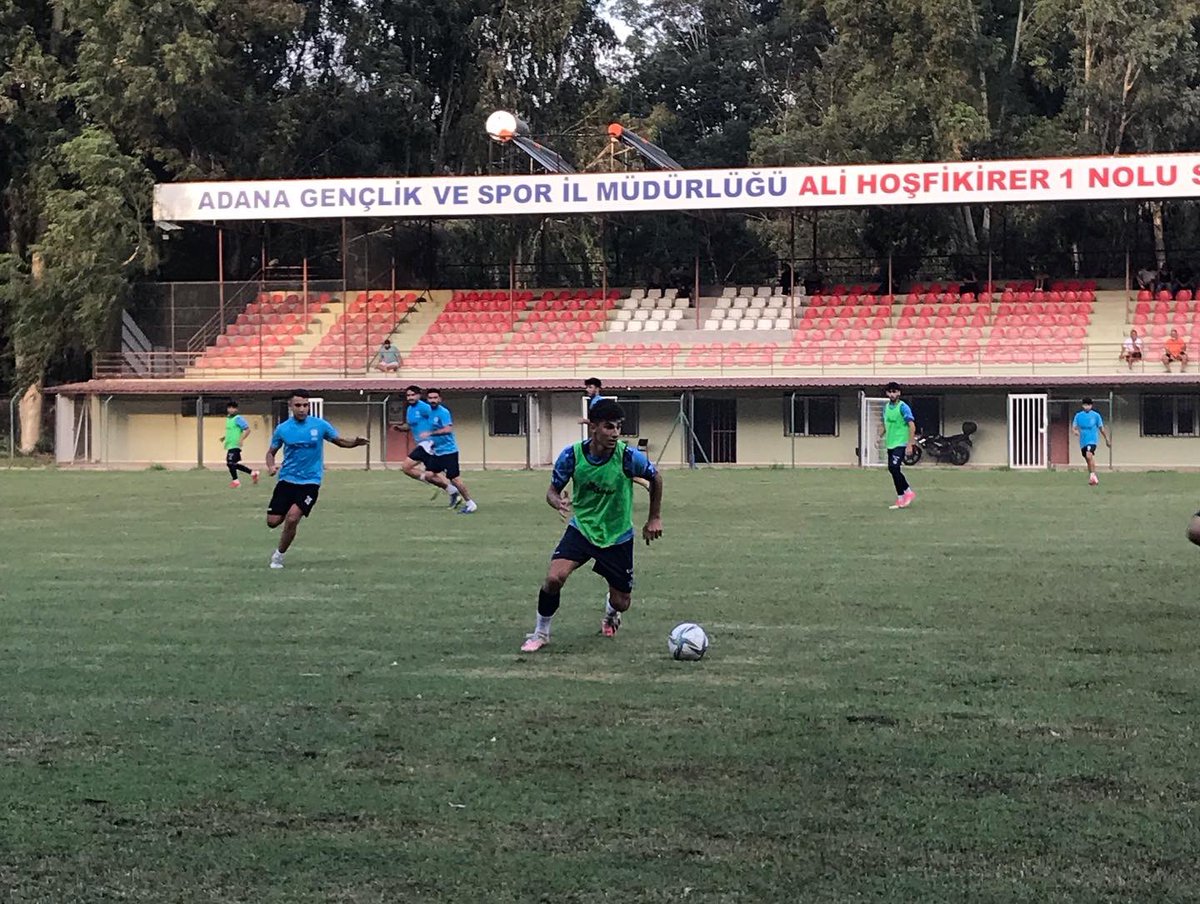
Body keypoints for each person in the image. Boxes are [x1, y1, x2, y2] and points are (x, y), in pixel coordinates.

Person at [520, 399, 664, 653]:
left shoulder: (628, 457)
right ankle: (541, 632)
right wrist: (558, 502)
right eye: (609, 427)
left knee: (622, 603)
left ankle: (611, 611)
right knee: (554, 578)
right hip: (583, 529)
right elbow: (552, 491)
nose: (615, 433)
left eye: (619, 427)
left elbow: (656, 478)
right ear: (593, 427)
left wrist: (654, 517)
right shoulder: (572, 455)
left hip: (617, 535)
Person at [264, 389, 368, 568]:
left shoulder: (320, 425)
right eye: (298, 405)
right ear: (291, 406)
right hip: (287, 480)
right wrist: (271, 466)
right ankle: (289, 508)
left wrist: (354, 443)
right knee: (272, 522)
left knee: (293, 518)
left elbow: (339, 441)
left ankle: (278, 556)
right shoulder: (283, 429)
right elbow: (271, 452)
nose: (302, 409)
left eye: (305, 405)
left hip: (310, 481)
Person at [391, 385, 458, 505]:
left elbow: (437, 418)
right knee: (433, 473)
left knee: (406, 466)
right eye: (408, 395)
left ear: (419, 395)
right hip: (423, 444)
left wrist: (433, 435)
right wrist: (400, 428)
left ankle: (440, 485)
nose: (410, 397)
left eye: (413, 395)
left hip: (428, 443)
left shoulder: (425, 407)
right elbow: (410, 426)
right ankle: (453, 492)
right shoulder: (410, 409)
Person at [425, 389, 477, 514]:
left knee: (455, 479)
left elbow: (448, 429)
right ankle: (452, 491)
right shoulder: (427, 412)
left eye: (435, 397)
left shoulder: (443, 412)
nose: (433, 400)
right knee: (429, 475)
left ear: (440, 399)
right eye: (430, 398)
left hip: (449, 452)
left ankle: (470, 504)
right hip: (437, 452)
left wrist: (431, 433)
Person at [879, 382, 916, 509]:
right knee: (892, 469)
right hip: (890, 442)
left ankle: (908, 492)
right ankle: (900, 498)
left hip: (901, 442)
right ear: (887, 393)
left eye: (894, 391)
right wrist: (879, 437)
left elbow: (911, 425)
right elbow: (884, 424)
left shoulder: (903, 407)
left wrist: (910, 444)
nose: (892, 394)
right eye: (890, 392)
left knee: (894, 467)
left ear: (899, 393)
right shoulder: (886, 408)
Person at [1071, 397, 1110, 487]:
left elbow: (1101, 428)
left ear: (1091, 406)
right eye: (1085, 405)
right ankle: (1092, 477)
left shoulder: (1096, 416)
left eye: (1088, 405)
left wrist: (1106, 439)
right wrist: (1075, 431)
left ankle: (1093, 476)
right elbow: (1074, 427)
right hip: (1083, 441)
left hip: (1092, 439)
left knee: (1089, 455)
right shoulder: (1078, 415)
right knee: (1087, 459)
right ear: (1082, 405)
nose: (1087, 407)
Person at [223, 400, 259, 488]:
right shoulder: (228, 419)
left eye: (233, 408)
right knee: (232, 463)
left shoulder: (238, 418)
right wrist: (224, 438)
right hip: (229, 444)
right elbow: (231, 431)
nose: (231, 410)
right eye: (229, 408)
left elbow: (247, 429)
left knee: (230, 463)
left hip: (235, 445)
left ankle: (236, 481)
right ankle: (253, 473)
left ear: (236, 409)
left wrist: (242, 439)